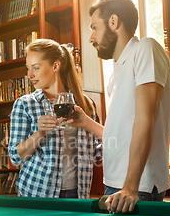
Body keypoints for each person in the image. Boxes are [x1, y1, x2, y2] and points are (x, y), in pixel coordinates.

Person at [70, 0, 170, 213]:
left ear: (114, 22)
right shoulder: (116, 71)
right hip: (115, 184)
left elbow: (145, 120)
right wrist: (86, 123)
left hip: (138, 187)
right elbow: (121, 133)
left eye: (94, 27)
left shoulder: (146, 48)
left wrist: (130, 187)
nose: (91, 37)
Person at [8, 39, 102, 199]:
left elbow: (98, 153)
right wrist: (39, 133)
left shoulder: (85, 103)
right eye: (28, 68)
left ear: (56, 66)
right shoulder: (25, 104)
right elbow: (16, 157)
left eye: (36, 68)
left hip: (77, 194)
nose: (30, 75)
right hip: (36, 194)